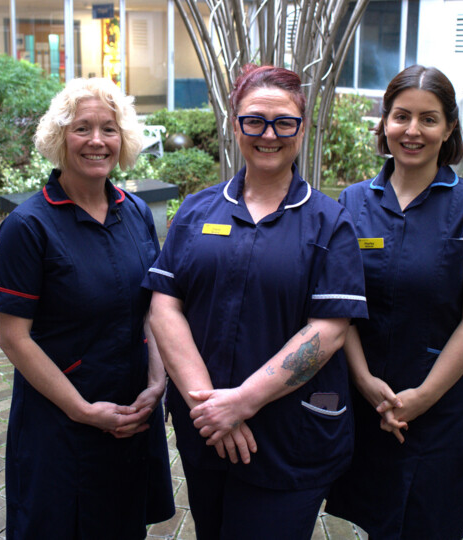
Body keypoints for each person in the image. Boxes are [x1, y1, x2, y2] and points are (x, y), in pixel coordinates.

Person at [143, 64, 367, 539]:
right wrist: (213, 409)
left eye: (284, 122)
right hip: (206, 430)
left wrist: (242, 402)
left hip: (289, 439)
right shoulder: (197, 210)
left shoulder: (331, 223)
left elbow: (329, 330)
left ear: (302, 128)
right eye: (255, 120)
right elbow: (164, 306)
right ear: (235, 124)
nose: (269, 134)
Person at [324, 65, 463, 539]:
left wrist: (424, 396)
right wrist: (364, 381)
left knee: (430, 521)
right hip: (369, 398)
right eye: (401, 116)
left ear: (449, 128)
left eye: (428, 119)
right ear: (384, 123)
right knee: (376, 516)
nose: (412, 131)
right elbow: (341, 306)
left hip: (441, 404)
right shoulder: (352, 202)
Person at [0, 77, 174, 539]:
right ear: (59, 137)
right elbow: (13, 338)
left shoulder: (135, 212)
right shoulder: (28, 227)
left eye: (109, 129)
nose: (96, 141)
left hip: (131, 414)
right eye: (82, 128)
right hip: (61, 422)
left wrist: (157, 382)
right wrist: (84, 411)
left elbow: (152, 309)